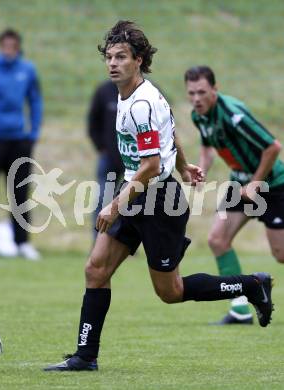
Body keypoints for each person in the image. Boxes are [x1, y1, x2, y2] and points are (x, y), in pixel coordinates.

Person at [44, 21, 274, 372]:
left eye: (121, 57)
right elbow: (171, 134)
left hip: (159, 201)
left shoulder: (141, 103)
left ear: (138, 60)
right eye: (109, 57)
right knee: (95, 269)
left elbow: (151, 165)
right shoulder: (131, 95)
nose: (112, 63)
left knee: (171, 292)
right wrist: (183, 165)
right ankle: (85, 356)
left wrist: (115, 203)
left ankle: (252, 284)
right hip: (138, 192)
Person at [185, 65, 284, 325]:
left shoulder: (232, 115)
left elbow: (273, 147)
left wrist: (255, 183)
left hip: (273, 185)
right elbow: (208, 147)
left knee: (281, 254)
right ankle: (240, 310)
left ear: (215, 90)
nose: (196, 99)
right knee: (218, 239)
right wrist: (201, 170)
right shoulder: (199, 116)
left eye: (202, 92)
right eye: (191, 93)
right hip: (240, 184)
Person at [0, 28, 42, 260]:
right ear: (0, 46)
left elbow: (35, 100)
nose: (9, 50)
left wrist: (32, 132)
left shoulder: (27, 69)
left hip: (19, 142)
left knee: (20, 194)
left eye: (13, 46)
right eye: (6, 45)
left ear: (18, 47)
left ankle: (22, 242)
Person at [87, 79, 124, 238]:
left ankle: (128, 243)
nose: (114, 64)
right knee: (103, 198)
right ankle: (99, 241)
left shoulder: (147, 91)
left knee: (140, 202)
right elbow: (92, 122)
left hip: (139, 161)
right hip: (109, 158)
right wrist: (101, 147)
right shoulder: (104, 91)